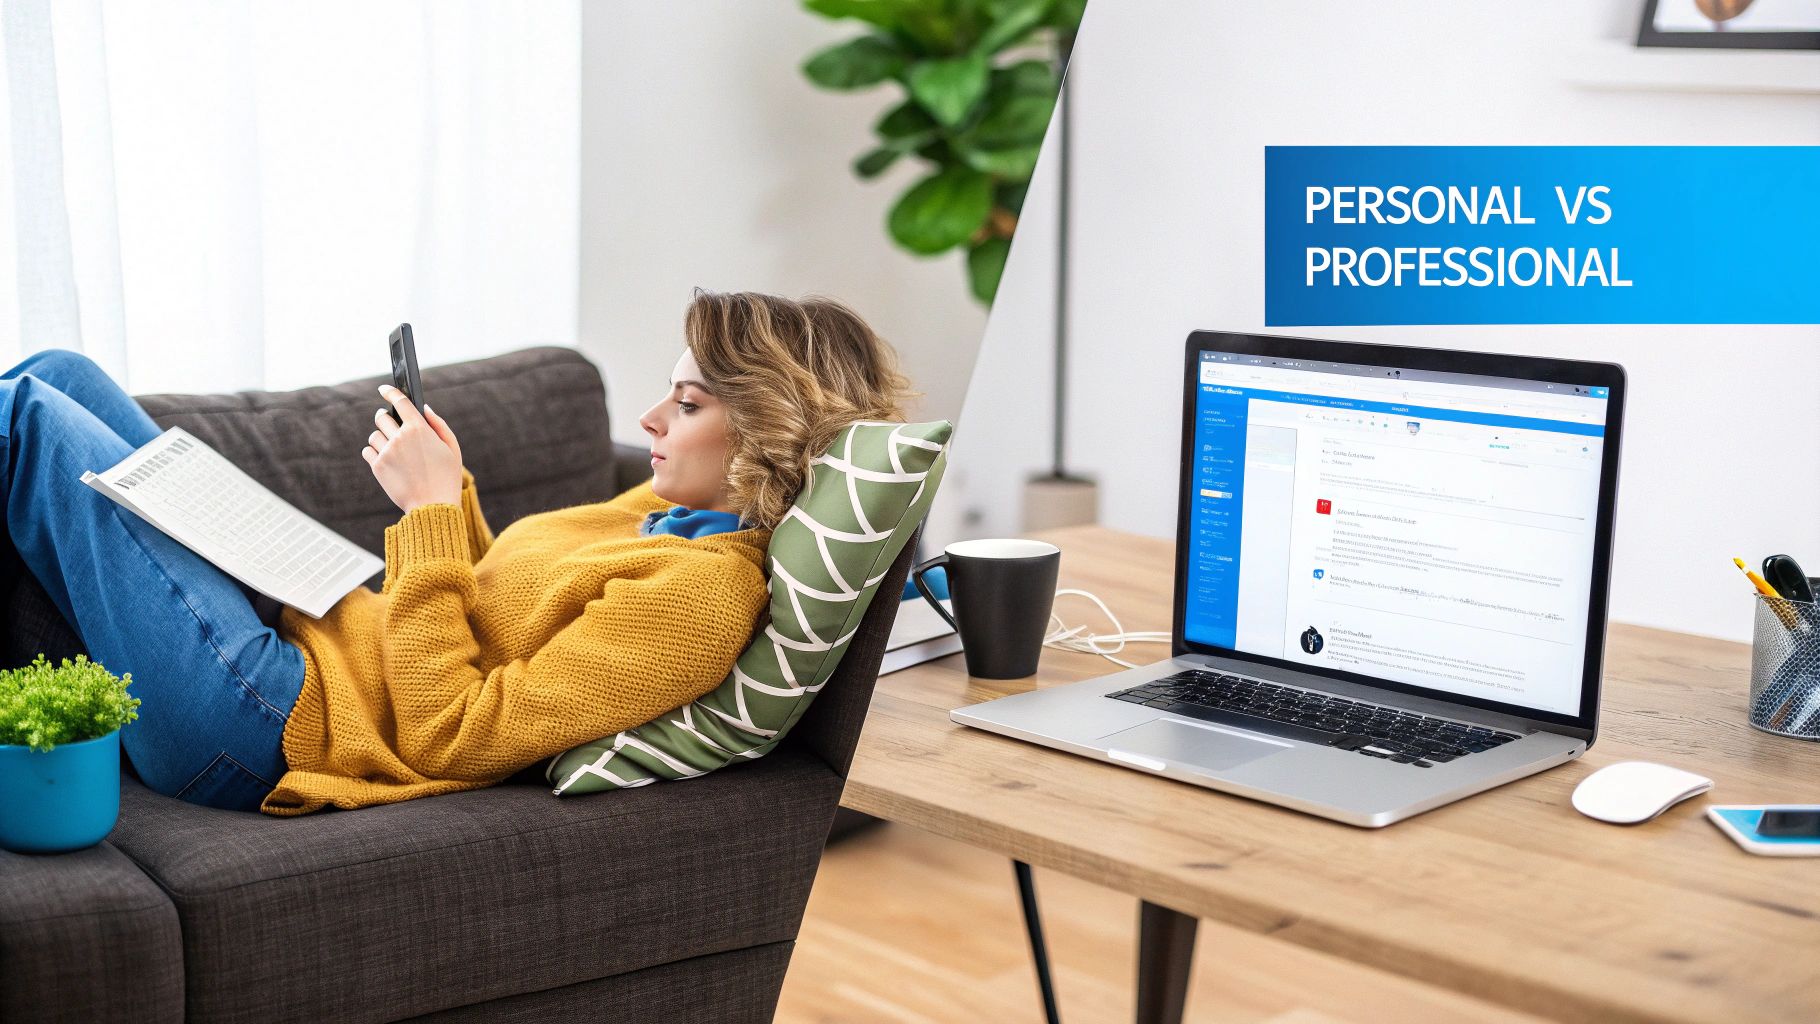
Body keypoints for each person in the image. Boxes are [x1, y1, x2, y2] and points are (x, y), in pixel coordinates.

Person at [0, 290, 912, 814]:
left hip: (271, 725)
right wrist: (454, 488)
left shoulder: (698, 603)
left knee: (23, 421)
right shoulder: (663, 513)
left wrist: (430, 512)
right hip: (314, 626)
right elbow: (494, 604)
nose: (648, 421)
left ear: (766, 427)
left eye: (685, 403)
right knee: (60, 372)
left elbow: (455, 736)